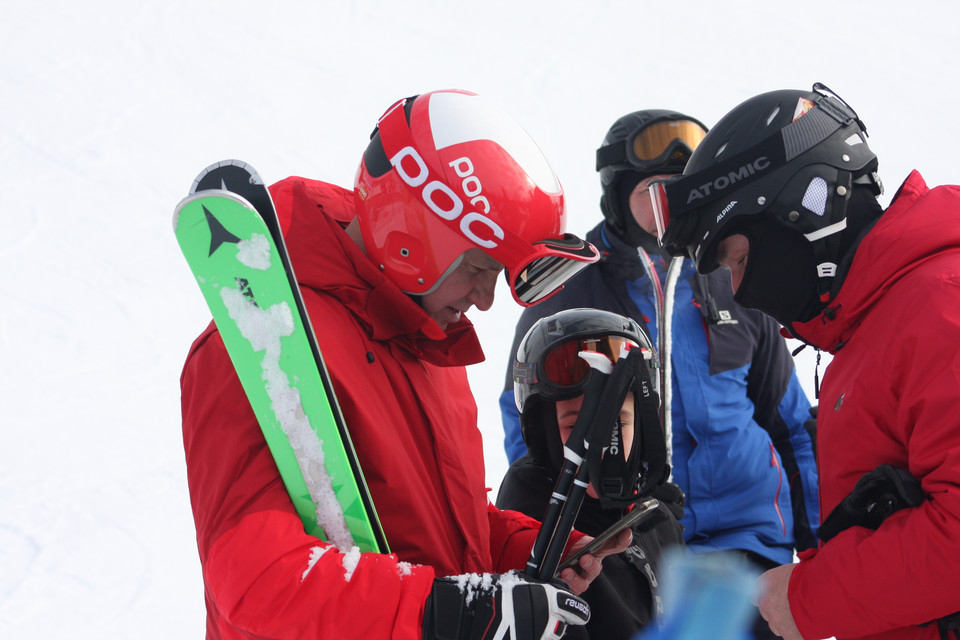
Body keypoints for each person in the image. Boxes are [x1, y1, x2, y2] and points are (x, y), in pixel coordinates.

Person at [179, 89, 630, 640]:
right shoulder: (260, 340)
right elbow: (254, 577)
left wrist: (532, 548)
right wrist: (447, 611)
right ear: (413, 236)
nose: (485, 300)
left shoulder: (432, 346)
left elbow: (448, 526)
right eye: (479, 267)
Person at [651, 83, 960, 640]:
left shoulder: (941, 308)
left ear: (803, 209)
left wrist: (811, 598)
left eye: (739, 258)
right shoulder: (874, 327)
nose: (740, 293)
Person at [499, 109, 820, 640]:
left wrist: (815, 544)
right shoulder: (574, 287)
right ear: (617, 193)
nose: (668, 206)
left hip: (746, 542)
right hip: (623, 543)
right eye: (652, 190)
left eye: (681, 189)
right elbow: (529, 421)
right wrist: (562, 530)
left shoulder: (733, 274)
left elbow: (788, 425)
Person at [497, 307, 685, 640]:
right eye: (574, 425)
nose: (600, 446)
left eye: (618, 423)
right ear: (545, 434)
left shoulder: (656, 519)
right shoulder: (528, 527)